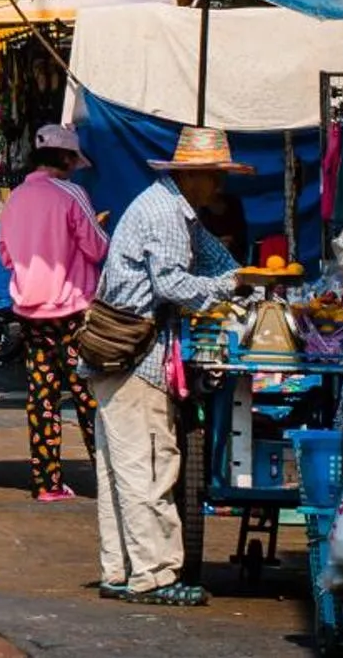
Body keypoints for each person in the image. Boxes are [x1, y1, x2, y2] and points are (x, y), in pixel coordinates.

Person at [88, 124, 246, 608]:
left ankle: (123, 570)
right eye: (215, 177)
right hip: (137, 357)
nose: (219, 187)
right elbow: (174, 285)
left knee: (122, 471)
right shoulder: (164, 214)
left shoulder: (179, 212)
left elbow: (217, 261)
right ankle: (153, 575)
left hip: (119, 355)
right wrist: (230, 288)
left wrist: (241, 276)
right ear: (192, 175)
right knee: (149, 467)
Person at [0, 124, 107, 502]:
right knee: (87, 395)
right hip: (72, 311)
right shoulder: (72, 194)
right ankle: (107, 478)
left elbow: (6, 256)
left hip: (29, 311)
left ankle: (47, 484)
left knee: (41, 396)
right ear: (64, 158)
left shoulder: (15, 200)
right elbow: (97, 247)